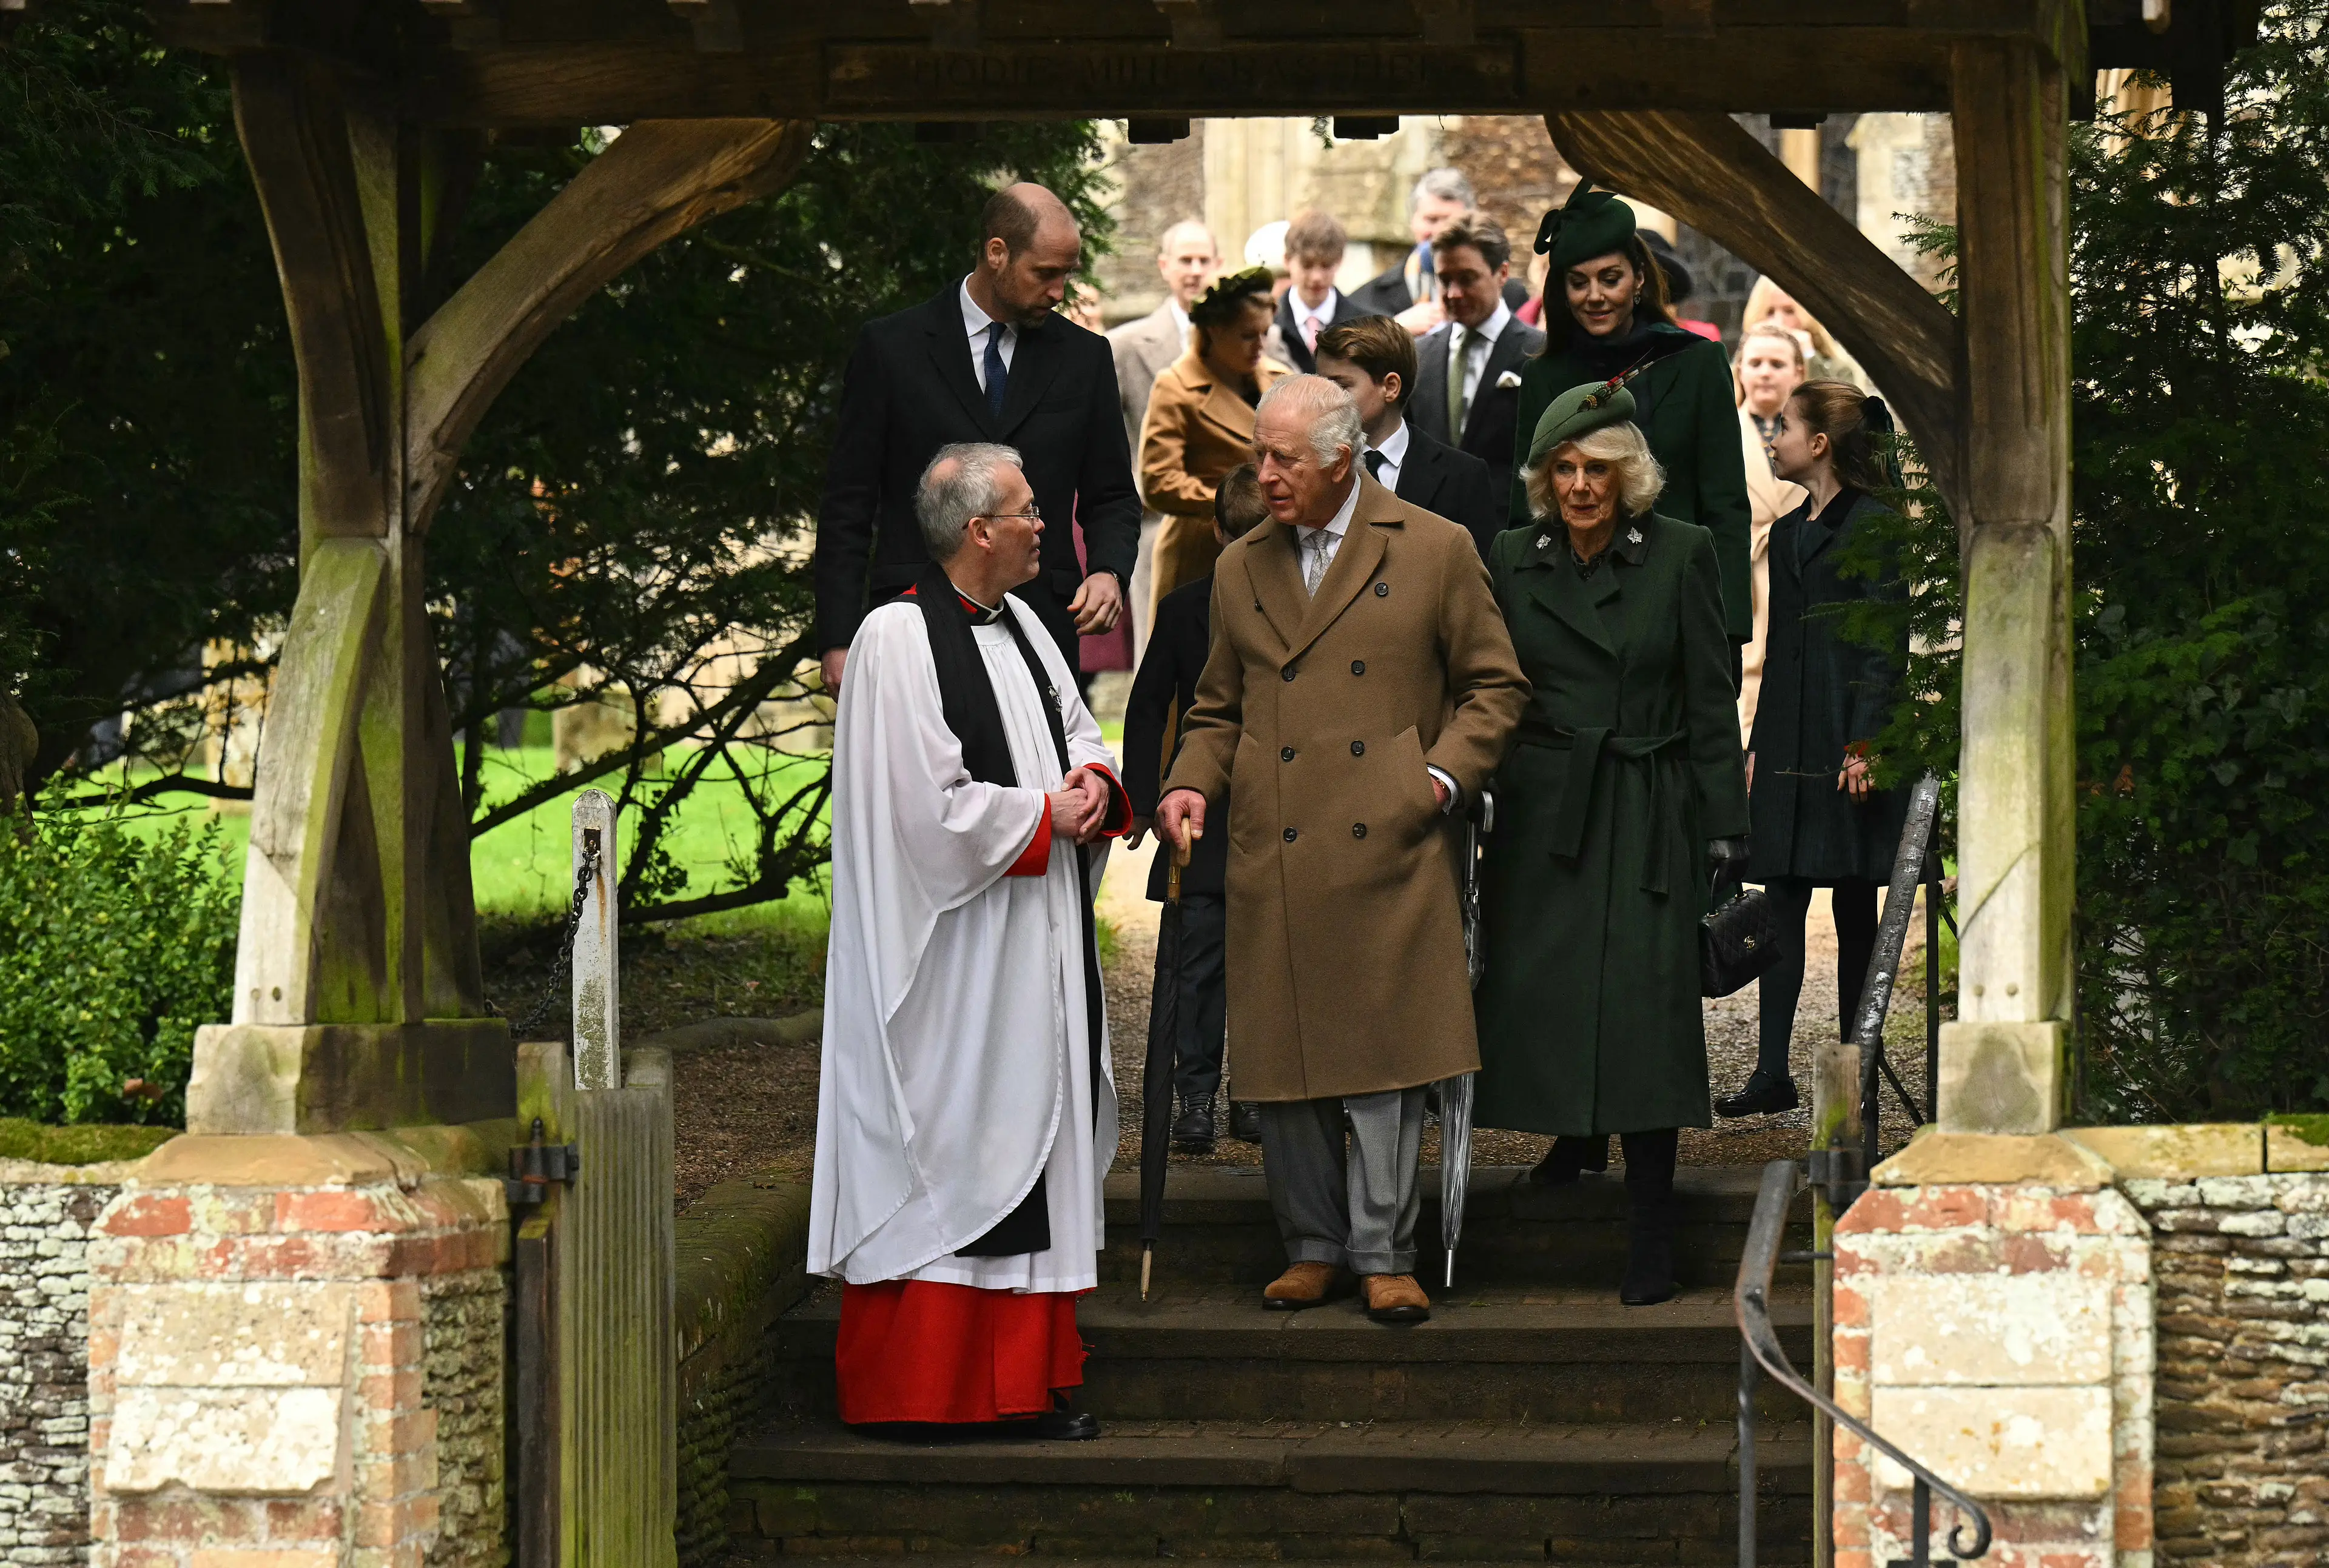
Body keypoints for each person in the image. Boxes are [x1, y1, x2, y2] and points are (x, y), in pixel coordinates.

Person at [1154, 376, 1527, 1325]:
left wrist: (1435, 780)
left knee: (1384, 1057)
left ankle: (1385, 1252)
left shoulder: (1436, 547)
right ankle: (1311, 1245)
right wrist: (1189, 782)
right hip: (1276, 838)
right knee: (1285, 1057)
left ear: (1341, 460)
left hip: (1390, 838)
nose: (1264, 475)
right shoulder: (1241, 565)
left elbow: (1494, 688)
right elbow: (1217, 707)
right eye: (1260, 455)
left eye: (1282, 459)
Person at [808, 442, 1133, 1436]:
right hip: (951, 963)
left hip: (1035, 942)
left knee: (1031, 1141)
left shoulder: (1028, 625)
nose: (1048, 527)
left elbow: (1079, 735)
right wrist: (1044, 815)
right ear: (980, 529)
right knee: (953, 1151)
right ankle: (920, 1391)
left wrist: (1094, 786)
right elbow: (923, 812)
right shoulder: (896, 638)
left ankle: (1024, 1384)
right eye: (1032, 511)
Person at [1473, 381, 1749, 1307]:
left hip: (1645, 804)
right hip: (1548, 811)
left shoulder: (1682, 551)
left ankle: (1651, 1231)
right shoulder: (1513, 556)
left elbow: (1710, 695)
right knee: (1544, 996)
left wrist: (1724, 824)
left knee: (1646, 1015)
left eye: (1598, 469)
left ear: (1628, 476)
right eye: (1564, 469)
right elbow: (1491, 685)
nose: (1582, 486)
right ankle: (1574, 1134)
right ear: (1545, 479)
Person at [818, 184, 1136, 693]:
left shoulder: (1085, 357)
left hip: (1042, 620)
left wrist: (1108, 571)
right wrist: (837, 638)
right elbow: (847, 504)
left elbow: (1113, 494)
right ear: (997, 252)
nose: (1059, 292)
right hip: (914, 620)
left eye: (1066, 275)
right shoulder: (890, 349)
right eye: (1045, 273)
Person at [1717, 382, 1911, 1119]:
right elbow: (1780, 649)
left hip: (1846, 742)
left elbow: (1885, 644)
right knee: (1780, 902)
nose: (1774, 439)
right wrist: (1757, 746)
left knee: (1856, 904)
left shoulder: (1876, 526)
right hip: (1789, 740)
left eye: (1786, 428)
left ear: (1820, 444)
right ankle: (1772, 1071)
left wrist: (1867, 744)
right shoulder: (1791, 530)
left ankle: (1858, 1076)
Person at [1508, 184, 1755, 660]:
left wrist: (1727, 629)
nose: (1595, 296)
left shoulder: (1697, 363)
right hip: (1572, 613)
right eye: (1578, 282)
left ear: (1639, 277)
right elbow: (1529, 506)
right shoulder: (1544, 375)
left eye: (1610, 278)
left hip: (1679, 606)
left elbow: (1725, 505)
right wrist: (1525, 614)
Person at [1124, 465, 1272, 1152]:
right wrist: (1139, 798)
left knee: (1264, 962)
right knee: (1198, 962)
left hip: (1272, 810)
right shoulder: (1187, 608)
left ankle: (1255, 1094)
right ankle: (1194, 1099)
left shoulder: (1300, 602)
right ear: (1217, 534)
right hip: (1203, 814)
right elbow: (1149, 702)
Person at [1138, 266, 1292, 618]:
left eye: (1265, 333)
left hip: (1275, 551)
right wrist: (1237, 506)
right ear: (1214, 331)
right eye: (1247, 335)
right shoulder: (1176, 387)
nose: (1260, 345)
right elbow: (1159, 482)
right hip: (1202, 553)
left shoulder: (1279, 378)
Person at [1110, 220, 1222, 657]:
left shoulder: (1253, 342)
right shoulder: (1125, 345)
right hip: (1157, 527)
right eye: (1185, 260)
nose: (1194, 270)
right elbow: (1100, 435)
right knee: (1161, 658)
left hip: (1235, 528)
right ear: (1164, 266)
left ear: (1218, 265)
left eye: (1203, 260)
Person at [1314, 314, 1501, 558]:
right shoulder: (1313, 467)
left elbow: (1477, 571)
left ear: (1391, 387)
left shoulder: (1462, 476)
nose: (1325, 400)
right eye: (1321, 387)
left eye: (1341, 386)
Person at [1409, 214, 1547, 531]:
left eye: (1468, 279)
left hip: (1510, 535)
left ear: (1502, 274)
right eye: (1444, 280)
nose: (1453, 293)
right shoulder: (1419, 355)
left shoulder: (1539, 353)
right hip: (1430, 533)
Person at [1732, 324, 1810, 746]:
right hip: (1744, 567)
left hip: (1805, 561)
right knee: (1749, 659)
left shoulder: (1821, 437)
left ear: (1798, 373)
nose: (1765, 372)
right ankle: (1746, 747)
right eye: (1756, 363)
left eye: (1777, 364)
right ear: (1740, 369)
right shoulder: (1721, 429)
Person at [1348, 168, 1531, 333]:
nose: (1440, 231)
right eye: (1432, 220)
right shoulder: (1367, 300)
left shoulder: (1510, 295)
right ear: (1412, 221)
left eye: (1451, 220)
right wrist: (1393, 330)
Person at [1269, 210, 1368, 375]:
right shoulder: (1268, 324)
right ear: (1287, 260)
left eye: (1326, 266)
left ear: (1339, 261)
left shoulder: (1365, 327)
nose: (1317, 277)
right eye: (1307, 265)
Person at [1741, 276, 1869, 390]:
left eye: (1789, 311)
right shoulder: (1741, 369)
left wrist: (1809, 357)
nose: (1779, 322)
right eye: (1770, 312)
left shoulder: (1839, 371)